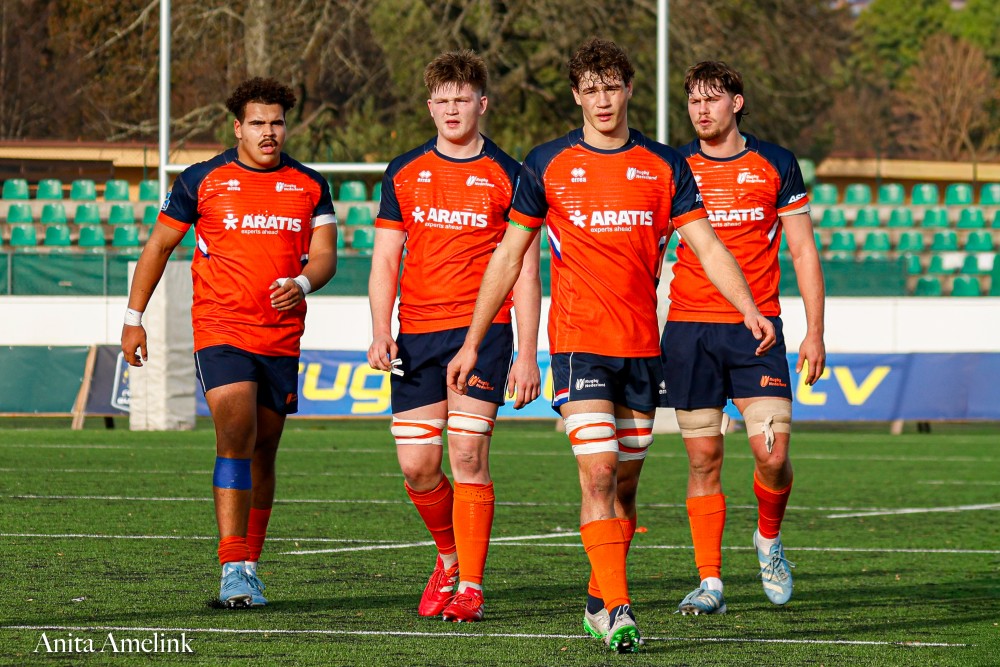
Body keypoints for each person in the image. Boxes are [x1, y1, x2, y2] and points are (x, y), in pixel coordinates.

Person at [446, 39, 775, 653]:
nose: (602, 100)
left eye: (612, 87)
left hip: (642, 351)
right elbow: (509, 257)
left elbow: (707, 247)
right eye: (591, 89)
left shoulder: (664, 165)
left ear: (629, 90)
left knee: (623, 486)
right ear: (576, 95)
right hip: (578, 345)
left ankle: (599, 596)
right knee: (597, 473)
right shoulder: (546, 163)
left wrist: (749, 308)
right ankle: (621, 611)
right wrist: (474, 342)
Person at [121, 77, 338, 608]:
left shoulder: (310, 185)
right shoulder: (202, 180)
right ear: (238, 127)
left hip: (281, 337)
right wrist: (133, 318)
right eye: (258, 123)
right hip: (221, 330)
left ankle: (250, 567)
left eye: (277, 122)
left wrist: (302, 283)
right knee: (236, 432)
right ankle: (231, 569)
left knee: (264, 449)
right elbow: (158, 246)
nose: (269, 132)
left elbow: (326, 257)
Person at [366, 50, 541, 624]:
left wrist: (526, 353)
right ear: (429, 106)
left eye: (462, 99)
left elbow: (525, 270)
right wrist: (380, 329)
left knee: (467, 453)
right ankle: (448, 558)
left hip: (483, 333)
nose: (451, 109)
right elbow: (386, 258)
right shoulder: (403, 171)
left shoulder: (512, 174)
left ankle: (471, 586)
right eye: (441, 100)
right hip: (416, 335)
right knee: (418, 466)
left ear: (482, 104)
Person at [663, 61, 826, 616]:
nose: (701, 109)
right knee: (704, 458)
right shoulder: (676, 166)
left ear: (736, 102)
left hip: (758, 331)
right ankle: (709, 582)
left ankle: (768, 539)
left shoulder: (777, 163)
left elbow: (802, 250)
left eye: (712, 99)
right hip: (689, 329)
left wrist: (815, 332)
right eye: (693, 100)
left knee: (771, 454)